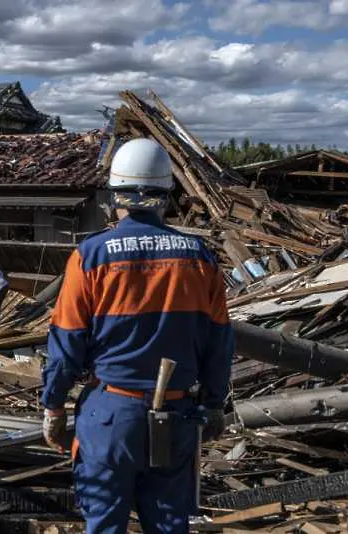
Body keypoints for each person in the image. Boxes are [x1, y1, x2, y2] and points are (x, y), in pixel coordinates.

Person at [41, 138, 234, 534]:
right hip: (177, 416)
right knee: (168, 525)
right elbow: (220, 343)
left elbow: (66, 343)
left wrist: (54, 405)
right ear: (167, 196)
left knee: (105, 524)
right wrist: (214, 404)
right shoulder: (200, 257)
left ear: (115, 196)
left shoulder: (91, 256)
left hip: (111, 415)